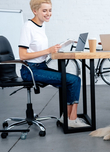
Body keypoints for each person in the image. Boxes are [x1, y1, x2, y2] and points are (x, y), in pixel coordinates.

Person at [19, 0, 88, 128]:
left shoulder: (42, 25)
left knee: (74, 80)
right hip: (30, 71)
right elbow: (23, 55)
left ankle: (67, 118)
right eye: (44, 11)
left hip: (41, 66)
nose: (48, 13)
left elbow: (37, 50)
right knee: (73, 80)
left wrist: (56, 48)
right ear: (35, 11)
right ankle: (71, 119)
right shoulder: (28, 26)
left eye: (50, 10)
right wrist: (48, 50)